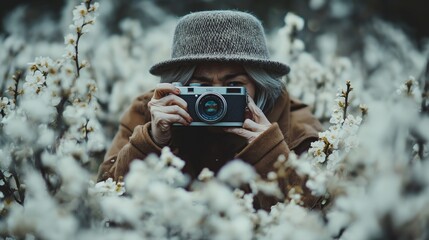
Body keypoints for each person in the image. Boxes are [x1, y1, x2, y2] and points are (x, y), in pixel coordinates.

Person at [97, 10, 324, 210]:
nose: (216, 100)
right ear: (179, 85)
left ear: (259, 84)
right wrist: (152, 142)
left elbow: (316, 210)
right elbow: (106, 195)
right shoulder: (149, 112)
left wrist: (269, 150)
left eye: (234, 86)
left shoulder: (295, 124)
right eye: (200, 87)